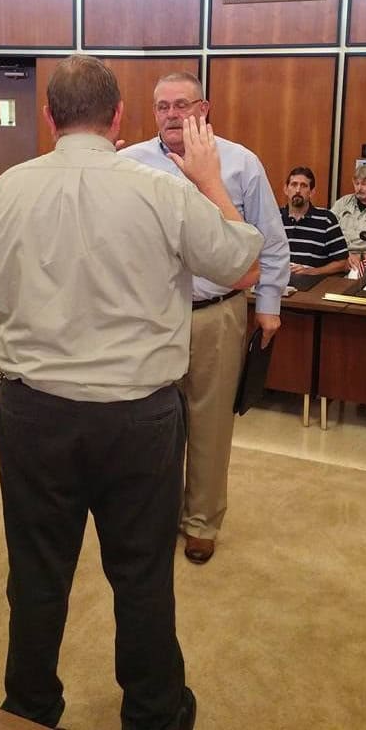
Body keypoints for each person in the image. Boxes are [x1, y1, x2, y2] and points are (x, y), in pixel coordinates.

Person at [0, 55, 263, 730]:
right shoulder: (163, 190)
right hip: (139, 420)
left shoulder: (8, 192)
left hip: (35, 415)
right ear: (120, 116)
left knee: (36, 572)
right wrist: (211, 179)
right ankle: (153, 712)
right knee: (142, 574)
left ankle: (29, 710)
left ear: (49, 116)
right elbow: (243, 264)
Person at [120, 72, 289, 565]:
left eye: (182, 104)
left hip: (219, 313)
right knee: (153, 425)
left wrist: (269, 306)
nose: (172, 114)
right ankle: (157, 514)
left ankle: (201, 522)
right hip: (150, 317)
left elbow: (271, 241)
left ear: (205, 108)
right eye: (162, 107)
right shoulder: (128, 164)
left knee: (211, 425)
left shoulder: (240, 162)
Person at [281, 167, 348, 275]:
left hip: (312, 283)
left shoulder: (326, 219)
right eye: (294, 185)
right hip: (278, 281)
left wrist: (312, 272)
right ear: (286, 189)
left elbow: (342, 262)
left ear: (312, 192)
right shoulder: (274, 218)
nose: (298, 190)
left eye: (304, 186)